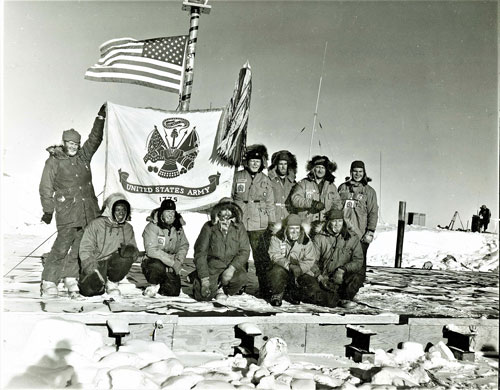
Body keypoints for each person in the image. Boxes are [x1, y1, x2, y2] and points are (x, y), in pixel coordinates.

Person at [39, 104, 106, 298]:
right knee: (62, 245)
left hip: (87, 210)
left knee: (80, 246)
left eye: (76, 144)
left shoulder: (84, 157)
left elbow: (95, 139)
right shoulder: (54, 161)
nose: (73, 147)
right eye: (70, 143)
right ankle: (49, 281)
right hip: (67, 211)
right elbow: (45, 187)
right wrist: (48, 210)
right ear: (64, 142)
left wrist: (100, 118)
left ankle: (70, 277)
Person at [232, 144, 276, 298]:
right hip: (241, 221)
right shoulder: (237, 177)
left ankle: (265, 288)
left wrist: (271, 223)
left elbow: (270, 203)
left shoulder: (265, 180)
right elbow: (230, 197)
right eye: (252, 161)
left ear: (262, 163)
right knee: (240, 255)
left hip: (259, 223)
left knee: (261, 257)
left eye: (258, 161)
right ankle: (239, 285)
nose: (255, 164)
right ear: (247, 162)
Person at [78, 193, 139, 297]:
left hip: (113, 262)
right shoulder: (96, 224)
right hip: (97, 263)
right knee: (90, 291)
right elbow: (85, 248)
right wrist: (91, 267)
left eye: (124, 210)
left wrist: (130, 251)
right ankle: (97, 281)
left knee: (126, 258)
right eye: (118, 209)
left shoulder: (128, 228)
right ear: (111, 210)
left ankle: (112, 283)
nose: (121, 213)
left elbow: (133, 248)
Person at [192, 198, 250, 301]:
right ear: (218, 210)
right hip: (213, 266)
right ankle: (197, 278)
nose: (227, 212)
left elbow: (245, 251)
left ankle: (223, 289)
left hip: (231, 266)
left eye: (230, 209)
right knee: (202, 296)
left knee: (241, 277)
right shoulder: (209, 227)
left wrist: (232, 268)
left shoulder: (239, 227)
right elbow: (200, 253)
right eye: (224, 209)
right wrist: (205, 280)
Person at [267, 214, 324, 307]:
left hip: (300, 271)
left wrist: (300, 268)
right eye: (291, 228)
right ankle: (277, 294)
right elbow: (274, 255)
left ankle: (293, 293)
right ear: (286, 228)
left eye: (297, 228)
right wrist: (289, 265)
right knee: (276, 272)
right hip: (283, 269)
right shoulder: (277, 238)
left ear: (300, 228)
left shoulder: (306, 241)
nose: (294, 231)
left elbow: (310, 259)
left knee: (313, 290)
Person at [312, 209, 364, 308]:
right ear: (328, 223)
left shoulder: (352, 237)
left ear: (343, 222)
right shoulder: (319, 238)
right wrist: (319, 277)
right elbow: (312, 261)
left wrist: (343, 269)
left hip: (343, 277)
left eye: (339, 221)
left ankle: (346, 298)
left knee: (357, 277)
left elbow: (358, 260)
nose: (337, 224)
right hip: (325, 277)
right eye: (334, 221)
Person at [141, 199, 189, 297]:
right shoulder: (152, 227)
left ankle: (162, 285)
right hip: (154, 261)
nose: (170, 214)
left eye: (172, 212)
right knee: (155, 266)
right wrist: (172, 262)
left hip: (171, 264)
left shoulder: (178, 227)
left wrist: (178, 261)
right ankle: (153, 285)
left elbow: (184, 245)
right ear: (161, 212)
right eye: (167, 211)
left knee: (173, 292)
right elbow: (151, 250)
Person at [338, 160, 379, 268]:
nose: (357, 174)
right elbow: (336, 208)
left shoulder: (369, 191)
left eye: (360, 171)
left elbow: (373, 212)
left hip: (360, 234)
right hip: (344, 233)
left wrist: (370, 231)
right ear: (351, 172)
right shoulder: (343, 188)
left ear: (364, 172)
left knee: (359, 265)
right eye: (355, 171)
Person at [289, 155, 342, 224]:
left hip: (324, 225)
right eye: (318, 167)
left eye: (323, 168)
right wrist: (312, 203)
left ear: (326, 170)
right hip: (307, 224)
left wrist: (332, 212)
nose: (320, 170)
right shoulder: (303, 183)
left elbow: (337, 203)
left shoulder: (331, 186)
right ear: (313, 169)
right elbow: (295, 199)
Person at [268, 150, 297, 222]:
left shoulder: (293, 183)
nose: (283, 167)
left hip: (288, 217)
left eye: (285, 164)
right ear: (276, 166)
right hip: (273, 218)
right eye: (280, 164)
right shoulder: (269, 181)